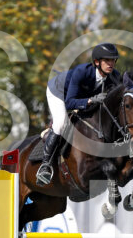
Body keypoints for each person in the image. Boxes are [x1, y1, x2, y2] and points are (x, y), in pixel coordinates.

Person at [36, 43, 123, 185]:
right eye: (107, 60)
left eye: (113, 60)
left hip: (80, 96)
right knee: (61, 123)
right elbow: (69, 103)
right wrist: (90, 100)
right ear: (97, 62)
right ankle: (45, 166)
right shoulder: (81, 72)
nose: (111, 64)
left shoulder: (114, 76)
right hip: (58, 92)